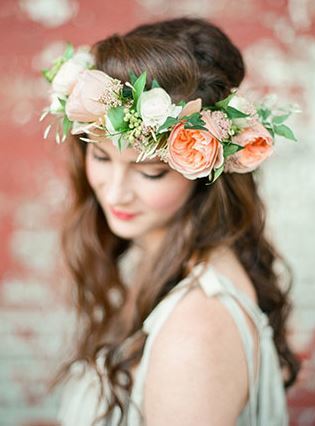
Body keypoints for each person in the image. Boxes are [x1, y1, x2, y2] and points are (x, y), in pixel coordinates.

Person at [43, 17, 301, 426]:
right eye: (101, 157)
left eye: (149, 173)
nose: (114, 192)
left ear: (202, 168)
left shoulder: (196, 328)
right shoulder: (157, 258)